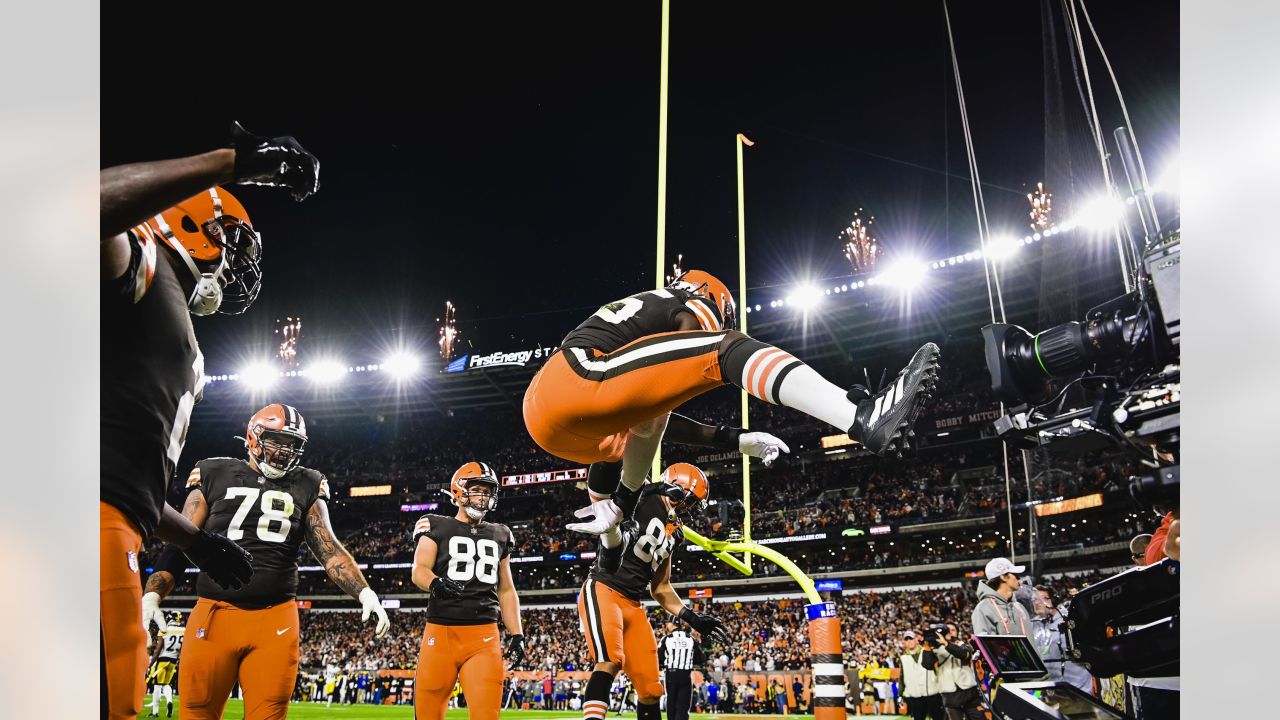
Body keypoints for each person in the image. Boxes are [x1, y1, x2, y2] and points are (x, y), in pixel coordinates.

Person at [101, 120, 318, 720]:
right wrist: (227, 163)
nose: (233, 257)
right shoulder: (141, 261)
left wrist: (194, 540)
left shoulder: (167, 308)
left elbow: (123, 475)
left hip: (117, 520)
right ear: (190, 223)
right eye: (228, 237)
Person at [523, 270, 941, 570]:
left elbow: (657, 414)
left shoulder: (645, 318)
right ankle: (860, 415)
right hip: (575, 377)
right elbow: (701, 349)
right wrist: (725, 368)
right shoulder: (691, 303)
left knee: (646, 422)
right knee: (726, 348)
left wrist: (736, 441)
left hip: (552, 417)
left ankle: (615, 517)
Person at [142, 404, 391, 720]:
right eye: (277, 441)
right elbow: (180, 538)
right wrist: (151, 597)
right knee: (197, 714)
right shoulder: (213, 471)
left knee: (269, 715)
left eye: (293, 444)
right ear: (253, 436)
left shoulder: (308, 482)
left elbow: (329, 548)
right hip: (214, 613)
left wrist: (364, 592)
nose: (285, 451)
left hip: (276, 618)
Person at [576, 464, 731, 720]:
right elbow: (611, 470)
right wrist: (653, 488)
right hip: (604, 588)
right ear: (674, 490)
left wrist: (692, 618)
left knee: (651, 690)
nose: (690, 510)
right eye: (690, 502)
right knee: (609, 661)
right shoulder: (643, 495)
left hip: (633, 604)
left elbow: (660, 587)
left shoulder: (675, 534)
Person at [411, 462, 526, 720]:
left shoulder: (501, 533)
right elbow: (419, 569)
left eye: (487, 492)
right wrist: (435, 583)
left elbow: (506, 589)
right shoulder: (434, 524)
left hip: (484, 637)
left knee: (486, 715)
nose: (483, 497)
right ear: (459, 491)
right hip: (441, 634)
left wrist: (517, 633)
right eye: (477, 490)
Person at [971, 557, 1032, 637]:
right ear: (1003, 577)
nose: (1019, 578)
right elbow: (986, 646)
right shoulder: (983, 609)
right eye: (1015, 574)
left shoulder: (1019, 607)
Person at [933, 624, 983, 720]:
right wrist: (928, 646)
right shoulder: (937, 649)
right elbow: (927, 664)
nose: (950, 632)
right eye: (947, 630)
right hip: (950, 695)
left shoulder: (965, 645)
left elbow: (963, 654)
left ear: (957, 632)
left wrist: (947, 644)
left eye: (952, 630)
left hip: (969, 692)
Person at [659, 621, 703, 720]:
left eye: (668, 623)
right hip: (685, 674)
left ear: (672, 624)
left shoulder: (666, 638)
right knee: (683, 706)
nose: (666, 626)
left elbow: (659, 657)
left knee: (671, 703)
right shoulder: (691, 639)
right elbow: (700, 658)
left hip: (671, 673)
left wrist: (662, 665)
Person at [900, 630, 944, 720]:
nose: (909, 641)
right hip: (914, 695)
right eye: (906, 639)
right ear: (904, 642)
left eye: (911, 639)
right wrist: (900, 694)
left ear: (916, 639)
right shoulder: (903, 658)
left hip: (932, 693)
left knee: (938, 717)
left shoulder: (927, 651)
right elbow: (901, 677)